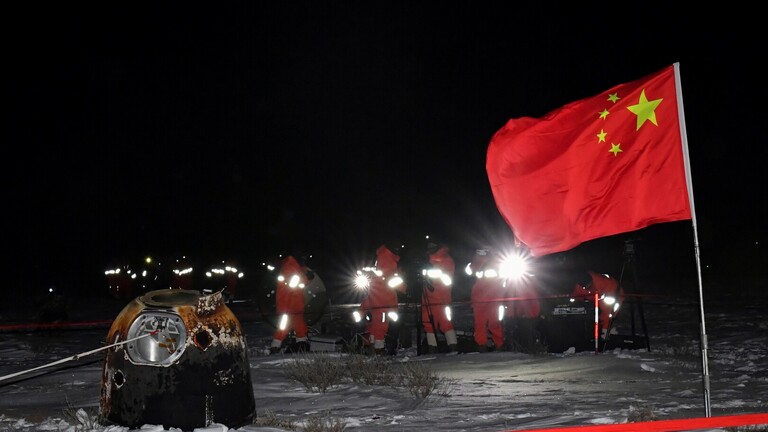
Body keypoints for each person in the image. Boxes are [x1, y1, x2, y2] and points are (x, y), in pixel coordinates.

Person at [357, 243, 407, 355]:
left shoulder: (380, 262)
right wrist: (407, 289)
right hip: (384, 304)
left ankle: (369, 348)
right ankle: (378, 351)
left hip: (374, 301)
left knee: (373, 325)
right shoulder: (388, 266)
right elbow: (398, 285)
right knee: (381, 326)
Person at [421, 242, 458, 354]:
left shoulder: (446, 260)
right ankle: (432, 350)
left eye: (433, 245)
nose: (430, 248)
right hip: (427, 299)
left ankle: (453, 349)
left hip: (442, 299)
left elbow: (448, 280)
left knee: (446, 323)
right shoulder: (426, 261)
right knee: (427, 323)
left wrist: (432, 274)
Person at [270, 255, 311, 354]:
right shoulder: (290, 267)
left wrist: (306, 275)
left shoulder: (295, 267)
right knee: (283, 327)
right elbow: (293, 285)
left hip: (294, 305)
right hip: (288, 305)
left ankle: (301, 344)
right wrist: (307, 278)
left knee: (299, 326)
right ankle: (275, 347)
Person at [468, 247, 506, 352]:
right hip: (484, 298)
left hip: (489, 298)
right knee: (485, 323)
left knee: (491, 323)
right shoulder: (475, 263)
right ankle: (488, 346)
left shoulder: (496, 262)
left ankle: (492, 345)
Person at [571, 270, 625, 339]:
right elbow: (576, 297)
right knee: (585, 311)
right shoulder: (579, 285)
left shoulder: (602, 281)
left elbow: (611, 294)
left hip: (613, 295)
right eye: (584, 287)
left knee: (609, 311)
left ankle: (605, 332)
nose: (586, 288)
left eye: (588, 286)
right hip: (595, 298)